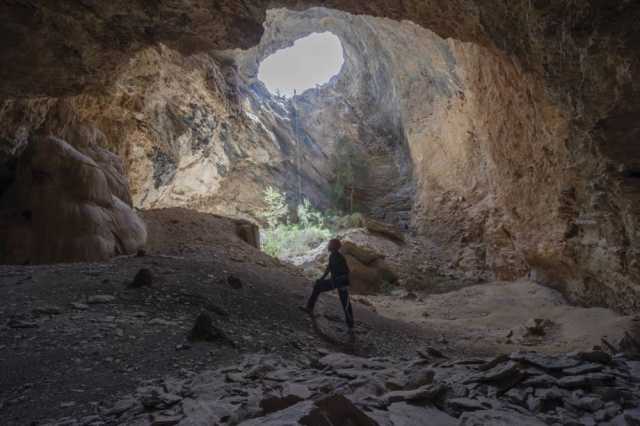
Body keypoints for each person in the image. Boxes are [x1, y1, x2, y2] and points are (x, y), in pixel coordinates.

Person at [301, 238, 354, 331]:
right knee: (318, 287)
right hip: (336, 281)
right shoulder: (332, 256)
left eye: (330, 244)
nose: (328, 246)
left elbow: (346, 272)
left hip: (341, 282)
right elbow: (328, 269)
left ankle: (351, 325)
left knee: (345, 303)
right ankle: (309, 308)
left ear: (334, 246)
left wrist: (340, 283)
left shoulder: (339, 257)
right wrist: (321, 279)